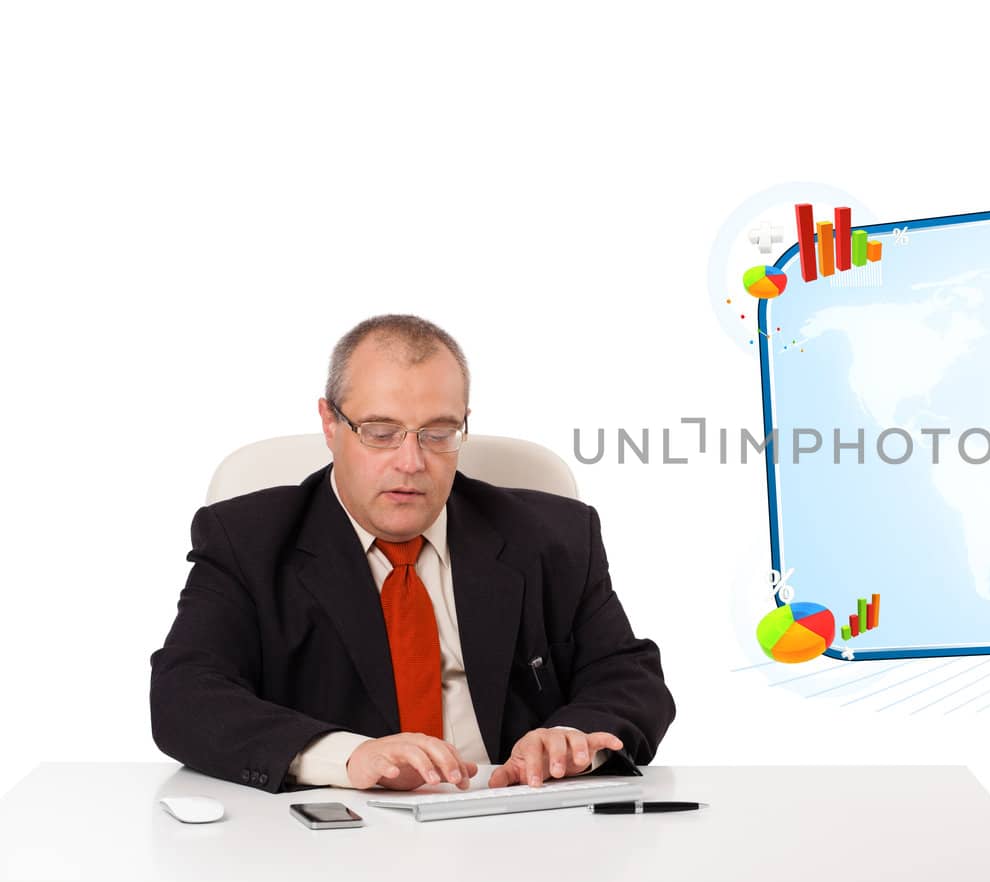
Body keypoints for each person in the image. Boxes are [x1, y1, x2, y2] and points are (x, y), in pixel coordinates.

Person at [150, 314, 673, 792]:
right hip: (333, 838)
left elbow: (631, 679)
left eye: (438, 433)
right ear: (330, 425)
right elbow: (186, 696)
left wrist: (568, 738)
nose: (410, 461)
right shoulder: (247, 538)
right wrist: (348, 757)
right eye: (381, 433)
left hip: (514, 824)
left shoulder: (554, 534)